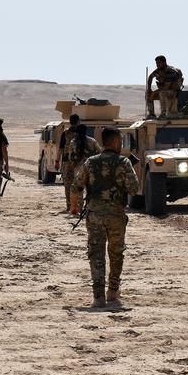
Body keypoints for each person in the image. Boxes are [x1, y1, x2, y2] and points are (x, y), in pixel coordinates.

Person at [70, 127, 140, 308]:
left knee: (96, 254)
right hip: (116, 216)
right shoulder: (124, 163)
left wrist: (74, 207)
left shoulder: (90, 163)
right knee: (116, 254)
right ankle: (113, 292)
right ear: (116, 141)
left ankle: (98, 297)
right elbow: (134, 189)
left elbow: (75, 186)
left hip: (94, 216)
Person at [58, 119, 101, 211]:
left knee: (79, 188)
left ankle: (79, 208)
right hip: (91, 168)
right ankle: (89, 208)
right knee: (90, 188)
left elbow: (70, 156)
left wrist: (74, 165)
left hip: (78, 168)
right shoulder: (92, 141)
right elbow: (99, 152)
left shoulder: (73, 142)